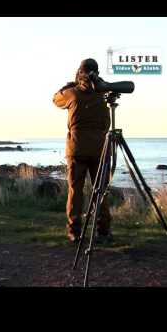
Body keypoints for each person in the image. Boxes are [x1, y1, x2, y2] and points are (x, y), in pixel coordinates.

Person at [53, 59, 112, 243]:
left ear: (80, 72)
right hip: (100, 149)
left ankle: (74, 231)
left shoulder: (72, 93)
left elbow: (55, 98)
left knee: (75, 191)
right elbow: (106, 123)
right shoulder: (102, 93)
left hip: (76, 149)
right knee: (100, 191)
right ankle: (103, 231)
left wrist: (72, 83)